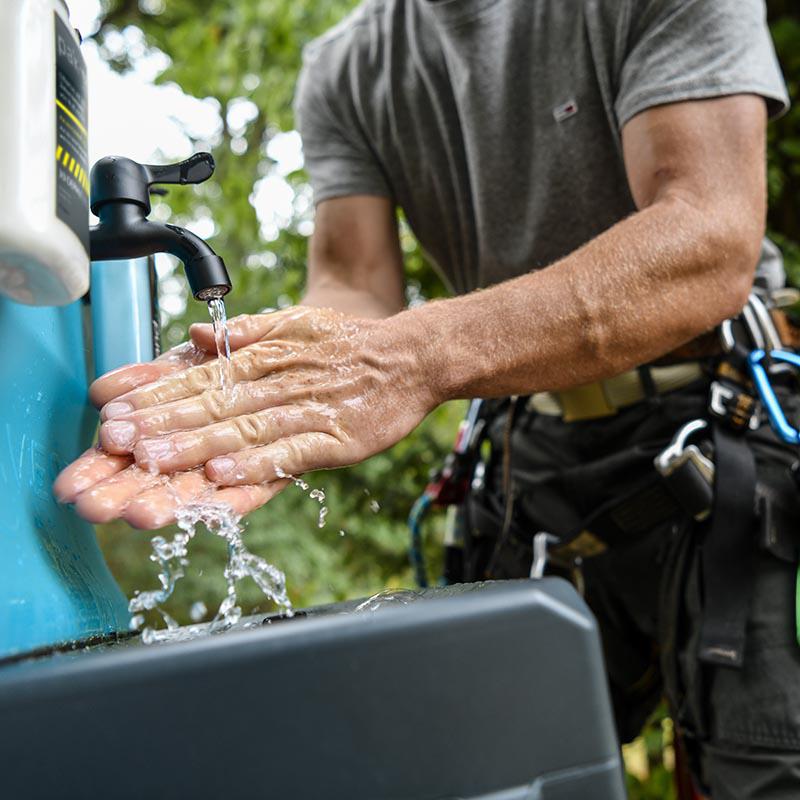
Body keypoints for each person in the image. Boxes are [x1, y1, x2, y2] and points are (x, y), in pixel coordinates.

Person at [55, 0, 800, 796]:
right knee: (503, 774)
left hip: (723, 417)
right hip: (529, 447)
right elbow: (356, 283)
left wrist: (412, 358)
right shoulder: (347, 65)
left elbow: (710, 234)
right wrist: (271, 369)